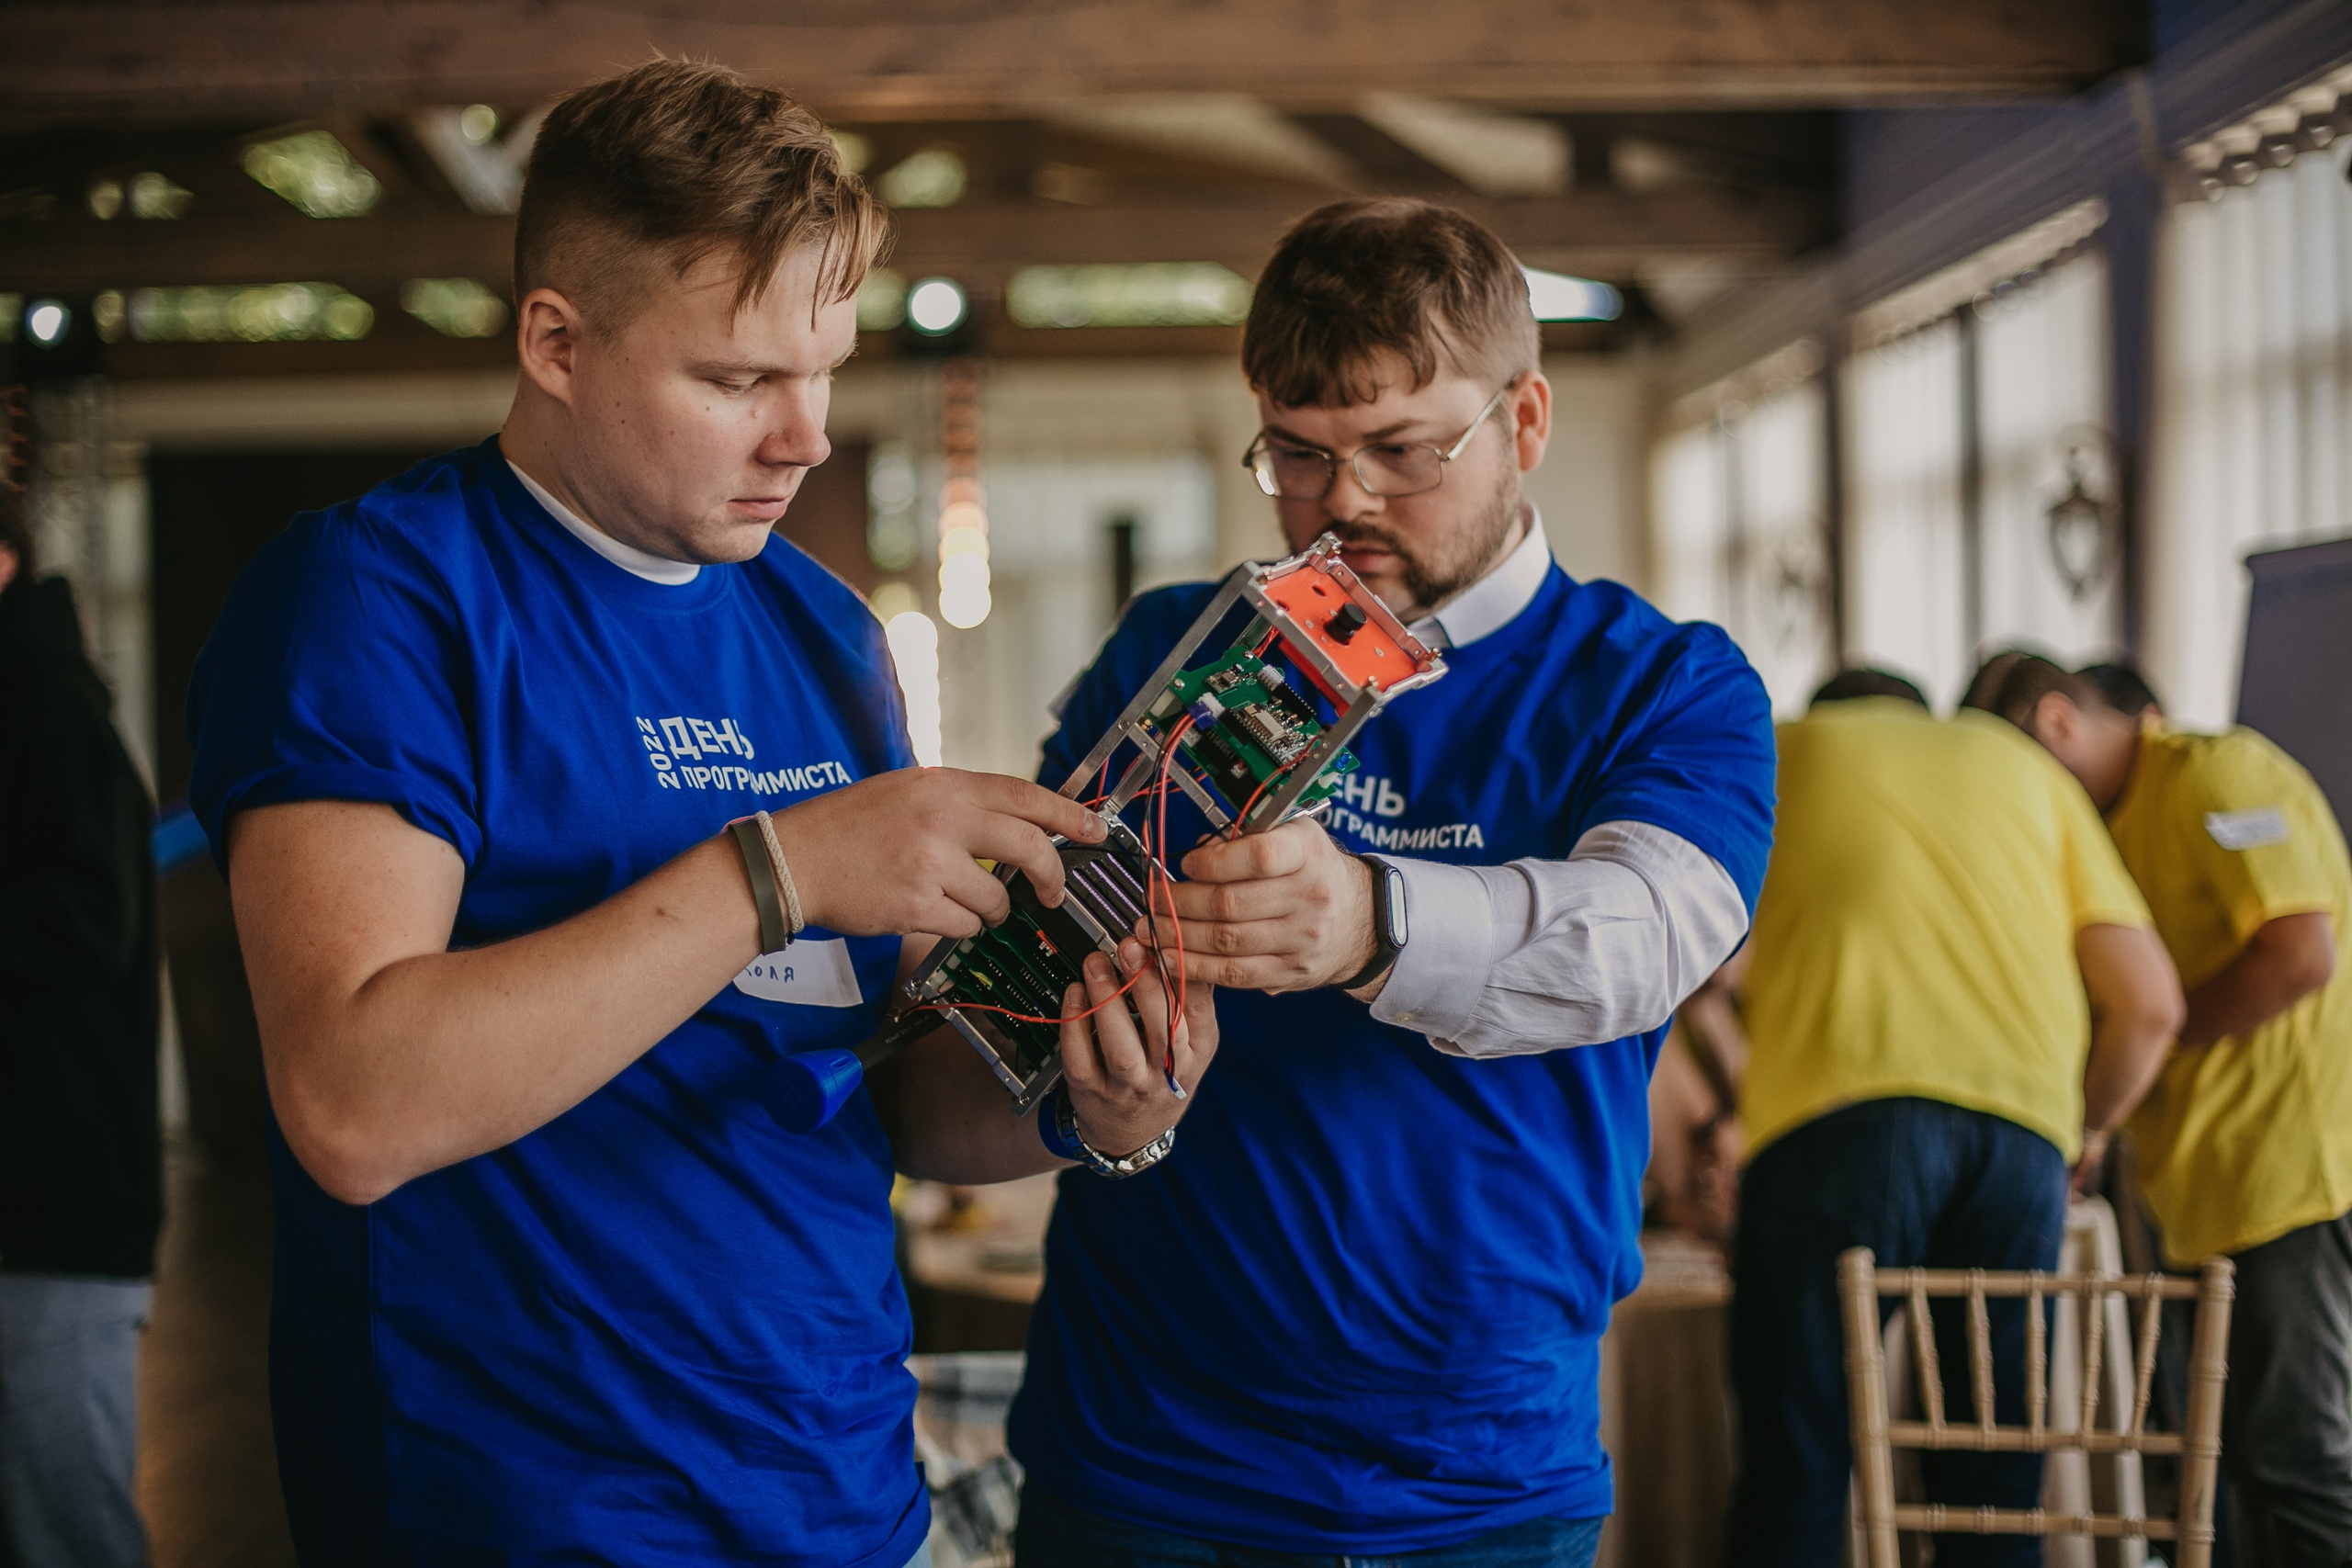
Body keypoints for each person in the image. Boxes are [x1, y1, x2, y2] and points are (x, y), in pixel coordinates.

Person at [187, 60, 1212, 1567]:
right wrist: (782, 869)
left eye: (823, 371)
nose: (804, 436)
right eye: (737, 382)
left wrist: (1091, 1100)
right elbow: (353, 1103)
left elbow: (887, 1097)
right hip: (526, 1513)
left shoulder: (825, 631)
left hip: (840, 1489)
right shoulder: (378, 594)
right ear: (557, 341)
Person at [1006, 197, 1779, 1566]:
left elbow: (1648, 935)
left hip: (1480, 1478)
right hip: (1144, 1456)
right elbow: (1043, 974)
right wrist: (1098, 1104)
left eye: (1402, 450)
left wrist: (1372, 919)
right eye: (1297, 453)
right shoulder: (1177, 647)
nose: (1343, 501)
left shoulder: (1664, 682)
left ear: (1524, 421)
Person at [1729, 668, 2182, 1566]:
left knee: (1799, 1467)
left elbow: (1686, 964)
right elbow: (2151, 1007)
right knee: (1992, 1482)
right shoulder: (2025, 769)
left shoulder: (1779, 748)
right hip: (2020, 1136)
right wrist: (2083, 1133)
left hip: (1834, 1114)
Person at [1997, 656, 2352, 1568]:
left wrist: (2161, 1031)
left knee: (2297, 1462)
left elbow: (2300, 953)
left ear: (2058, 723)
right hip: (2197, 1188)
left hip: (2287, 1170)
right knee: (2216, 1474)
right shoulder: (2105, 829)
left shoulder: (2212, 773)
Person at [0, 479, 160, 1568]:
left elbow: (91, 914)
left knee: (63, 1524)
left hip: (52, 1210)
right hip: (37, 1205)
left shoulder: (44, 702)